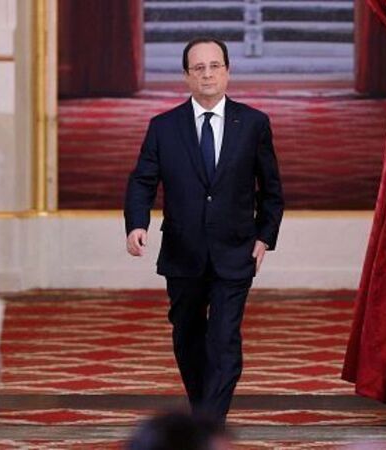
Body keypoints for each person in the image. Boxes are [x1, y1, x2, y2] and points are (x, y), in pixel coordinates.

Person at [124, 37, 284, 423]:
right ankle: (202, 415)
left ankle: (209, 426)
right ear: (186, 76)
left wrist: (264, 237)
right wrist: (137, 224)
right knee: (188, 336)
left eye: (215, 66)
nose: (208, 74)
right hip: (183, 252)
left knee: (224, 338)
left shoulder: (254, 123)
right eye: (199, 68)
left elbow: (271, 189)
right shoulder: (163, 127)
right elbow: (142, 181)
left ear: (228, 71)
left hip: (236, 250)